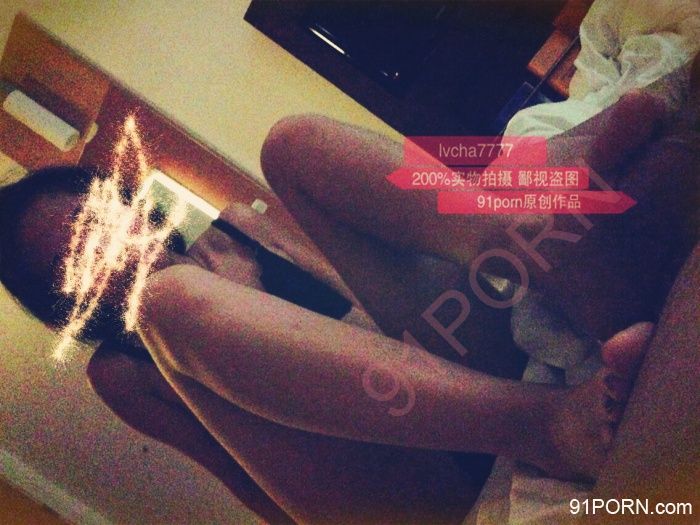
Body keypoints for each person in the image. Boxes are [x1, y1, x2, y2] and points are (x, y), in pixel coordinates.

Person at [1, 74, 695, 524]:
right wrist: (238, 309)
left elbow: (389, 318)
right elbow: (250, 480)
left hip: (439, 379)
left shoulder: (240, 228)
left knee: (295, 145)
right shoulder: (124, 367)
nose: (103, 250)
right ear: (66, 302)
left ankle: (544, 231)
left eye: (92, 220)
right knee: (169, 303)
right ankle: (549, 425)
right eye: (70, 262)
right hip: (401, 487)